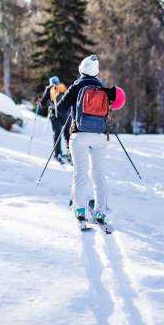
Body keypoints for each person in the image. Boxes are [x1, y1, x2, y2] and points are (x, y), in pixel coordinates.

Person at [56, 55, 118, 225]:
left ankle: (79, 209)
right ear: (96, 71)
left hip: (79, 134)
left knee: (80, 173)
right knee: (99, 174)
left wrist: (72, 111)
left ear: (81, 69)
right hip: (99, 135)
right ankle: (100, 212)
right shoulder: (102, 87)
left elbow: (61, 108)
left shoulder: (76, 85)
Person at [38, 76, 72, 164]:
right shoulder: (63, 88)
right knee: (68, 134)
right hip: (66, 114)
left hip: (55, 114)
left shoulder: (49, 89)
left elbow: (42, 103)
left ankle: (58, 153)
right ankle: (70, 153)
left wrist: (39, 102)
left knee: (57, 134)